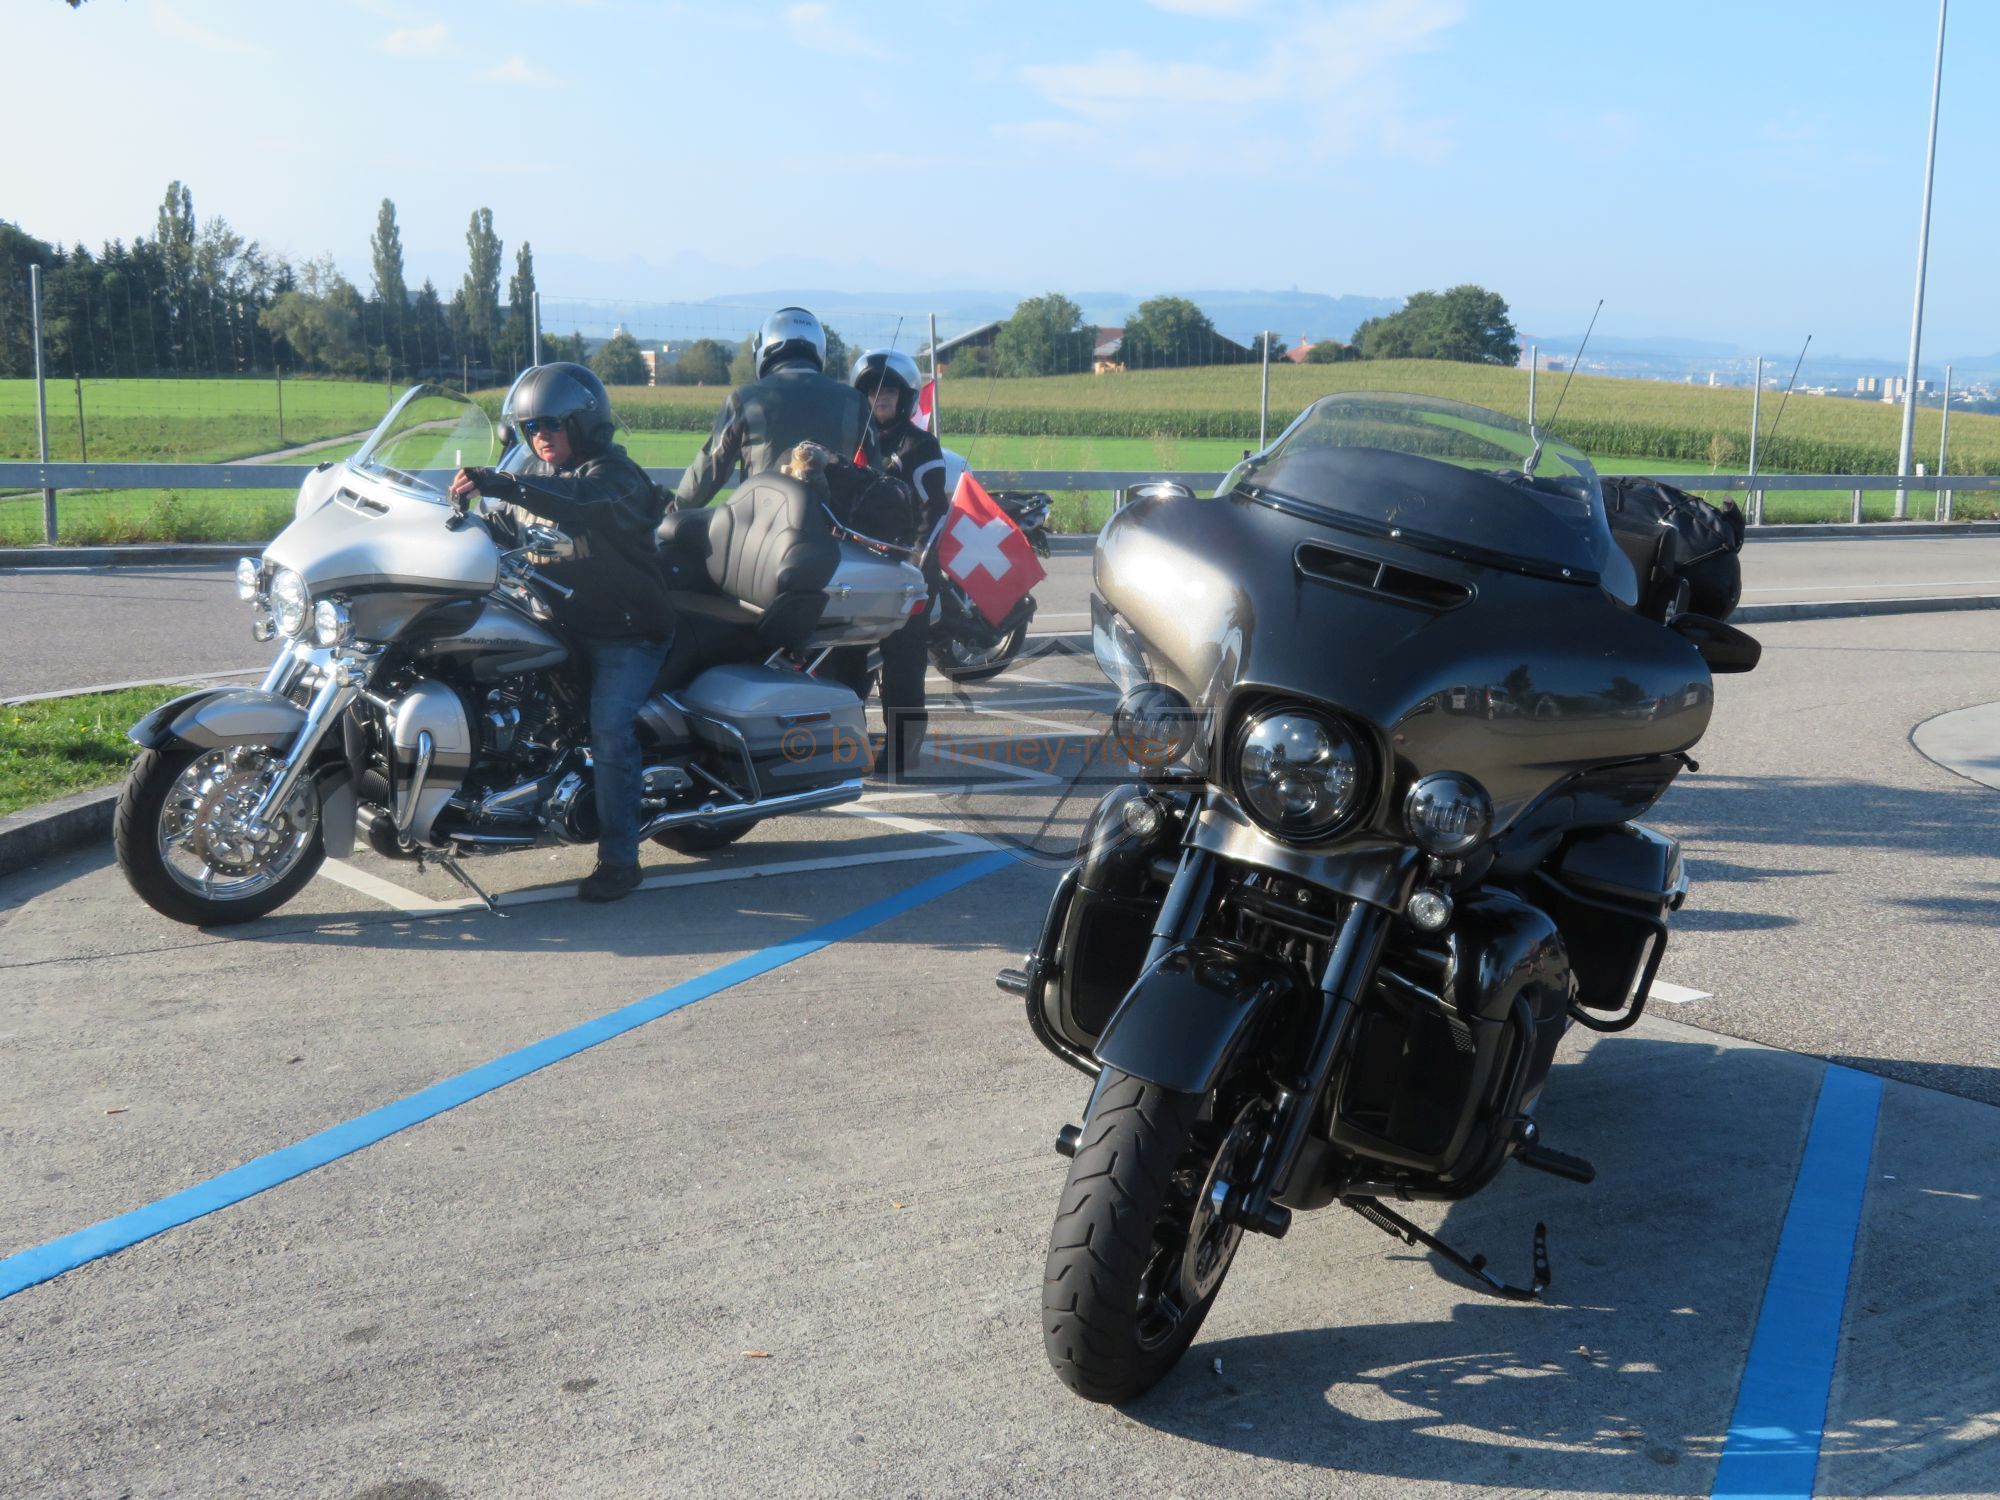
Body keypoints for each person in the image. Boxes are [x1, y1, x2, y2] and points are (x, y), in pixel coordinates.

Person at [449, 362, 673, 904]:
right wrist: (454, 520)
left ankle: (620, 860)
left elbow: (577, 500)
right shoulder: (542, 480)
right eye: (530, 428)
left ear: (584, 423)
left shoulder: (616, 479)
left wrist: (502, 481)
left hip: (626, 633)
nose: (540, 436)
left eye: (552, 423)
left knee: (609, 729)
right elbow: (504, 526)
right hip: (561, 625)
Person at [830, 348, 951, 779]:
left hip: (905, 571)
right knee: (843, 659)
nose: (879, 396)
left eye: (889, 390)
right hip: (858, 569)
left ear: (905, 397)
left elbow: (935, 511)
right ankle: (848, 745)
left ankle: (902, 752)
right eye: (871, 390)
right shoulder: (850, 445)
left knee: (902, 665)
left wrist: (916, 566)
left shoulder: (919, 445)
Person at [671, 306, 880, 511]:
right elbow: (877, 478)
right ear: (819, 350)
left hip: (764, 524)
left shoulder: (744, 400)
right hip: (835, 526)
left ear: (764, 349)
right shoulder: (855, 401)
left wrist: (674, 510)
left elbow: (708, 471)